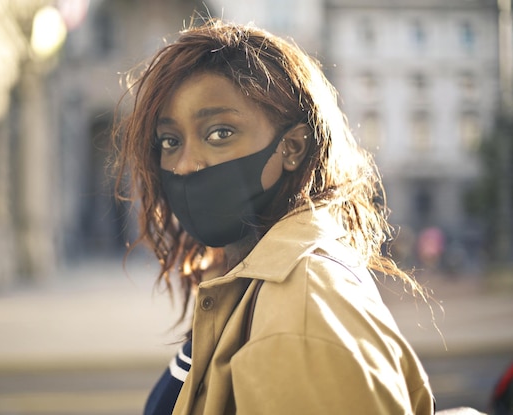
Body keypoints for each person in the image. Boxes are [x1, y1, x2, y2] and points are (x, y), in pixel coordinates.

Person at [113, 18, 434, 414]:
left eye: (219, 133)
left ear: (293, 147)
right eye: (170, 141)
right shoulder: (249, 279)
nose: (186, 164)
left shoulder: (303, 312)